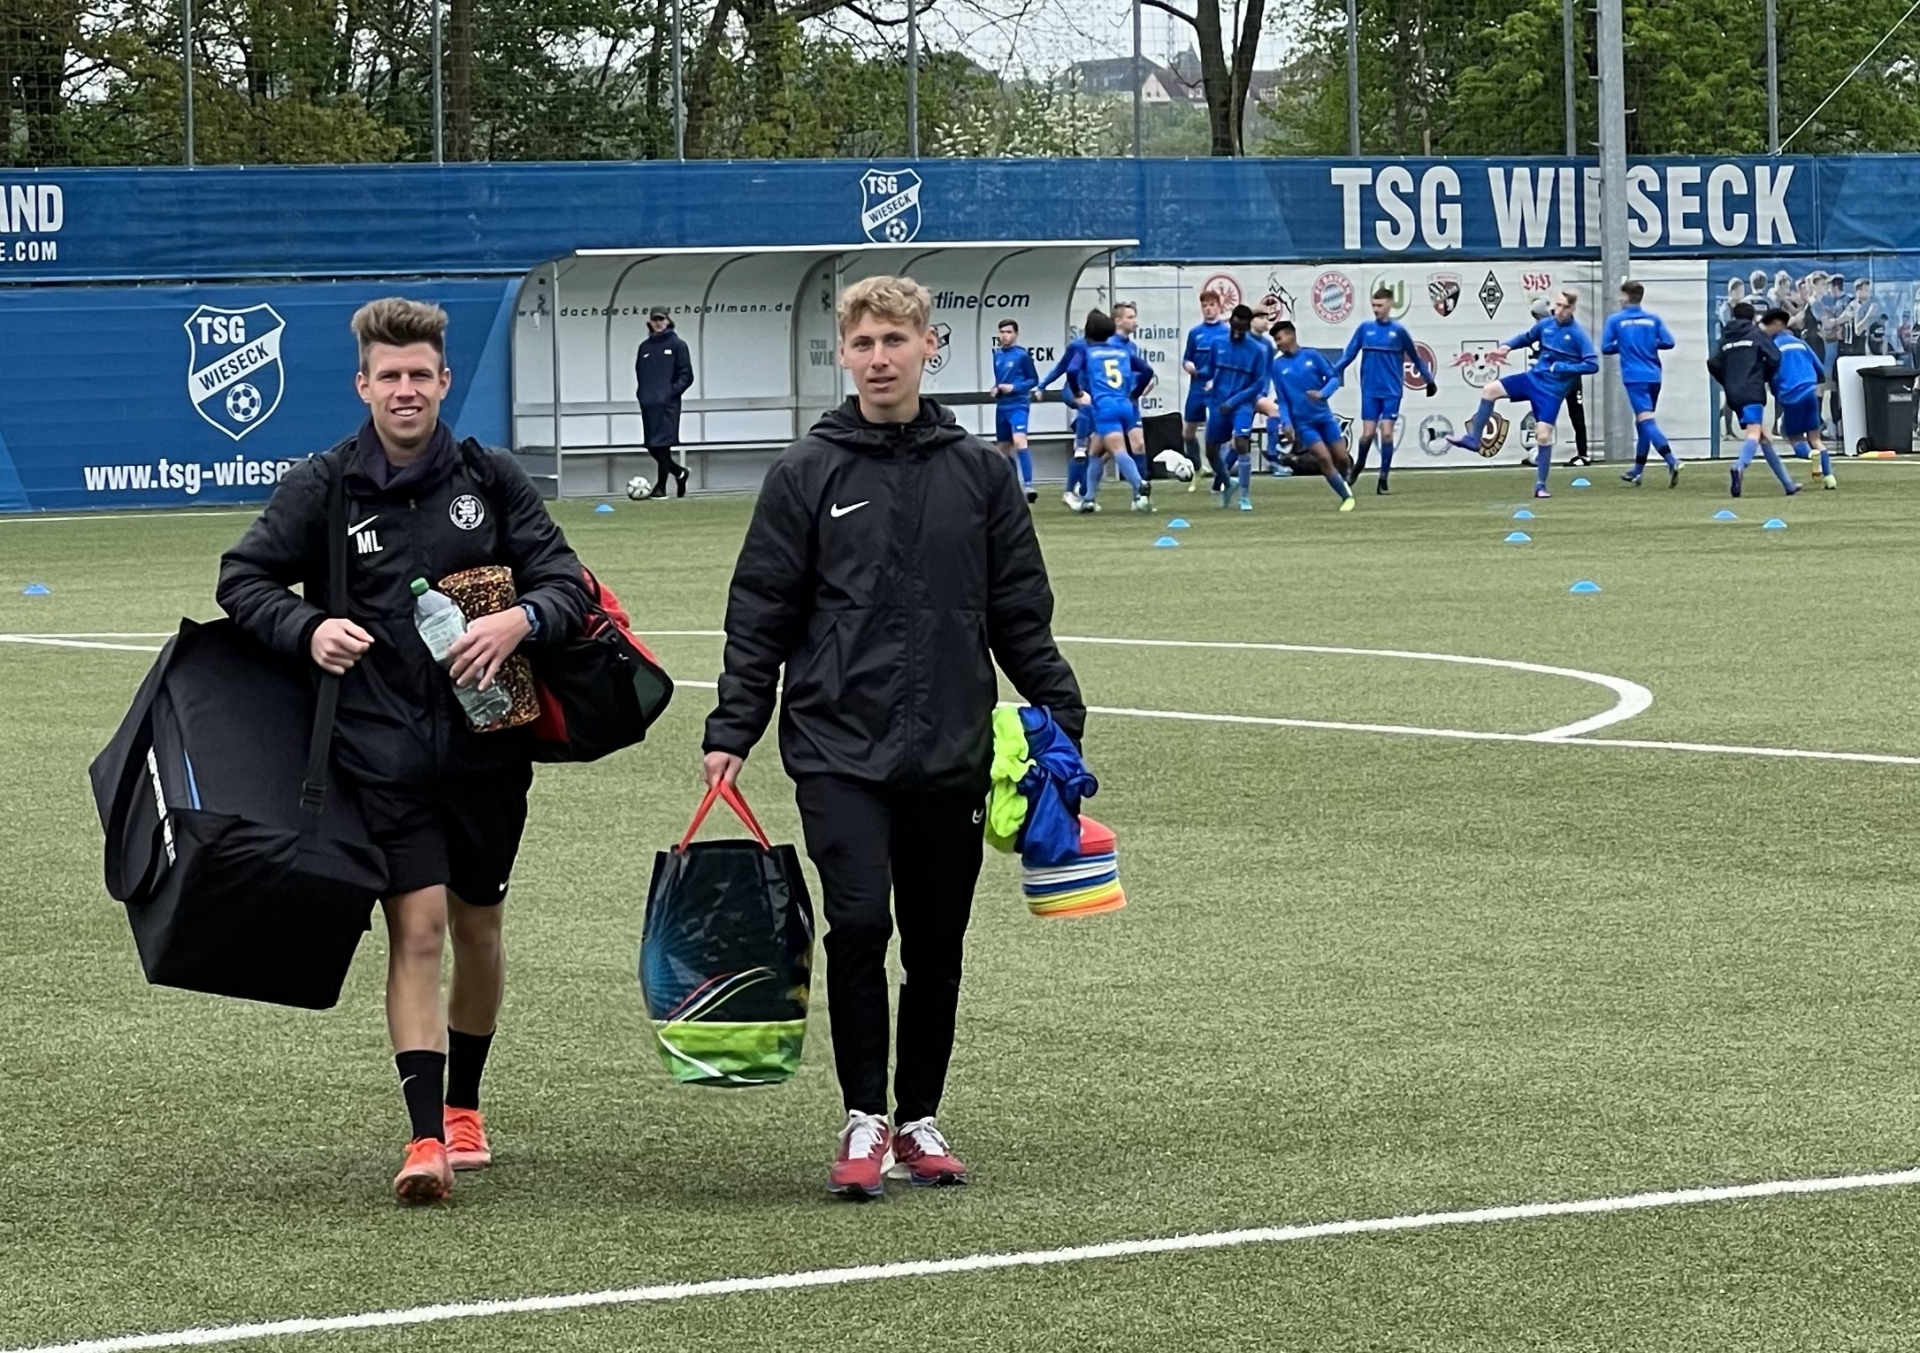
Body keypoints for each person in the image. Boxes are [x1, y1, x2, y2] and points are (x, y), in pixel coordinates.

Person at [701, 274, 1085, 1199]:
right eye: (864, 343)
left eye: (896, 341)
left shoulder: (980, 474)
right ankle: (862, 1115)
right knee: (861, 922)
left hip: (952, 747)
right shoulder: (806, 472)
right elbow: (760, 613)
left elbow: (1019, 613)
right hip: (837, 744)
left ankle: (918, 1117)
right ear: (843, 353)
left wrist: (1062, 718)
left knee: (937, 939)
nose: (879, 358)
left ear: (928, 347)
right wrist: (732, 728)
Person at [217, 298, 591, 1204]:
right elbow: (243, 578)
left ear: (444, 380)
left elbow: (566, 584)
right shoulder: (326, 484)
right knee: (416, 929)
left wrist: (520, 618)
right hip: (378, 754)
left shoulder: (491, 477)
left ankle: (465, 1105)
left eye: (420, 373)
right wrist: (307, 628)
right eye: (390, 375)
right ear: (363, 385)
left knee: (478, 927)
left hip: (487, 751)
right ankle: (425, 1137)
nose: (406, 389)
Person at [1448, 288, 1597, 500]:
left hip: (1551, 393)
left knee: (1543, 435)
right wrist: (1506, 347)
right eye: (1558, 305)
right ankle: (1473, 439)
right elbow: (1526, 337)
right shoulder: (1546, 325)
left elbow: (1592, 364)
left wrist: (1563, 368)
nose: (1560, 310)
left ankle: (1541, 485)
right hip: (1532, 380)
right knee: (1490, 390)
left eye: (1565, 307)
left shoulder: (1577, 335)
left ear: (1573, 308)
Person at [1323, 287, 1436, 494]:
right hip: (1370, 390)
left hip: (1392, 390)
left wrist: (1429, 380)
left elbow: (1415, 357)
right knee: (1367, 435)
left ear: (1390, 305)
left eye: (1380, 305)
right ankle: (1359, 466)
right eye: (1374, 305)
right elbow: (1349, 355)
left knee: (1387, 434)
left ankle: (1383, 478)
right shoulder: (1365, 329)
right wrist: (1332, 372)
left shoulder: (1398, 331)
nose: (1376, 309)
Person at [1062, 309, 1155, 513]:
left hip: (1104, 407)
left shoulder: (1086, 352)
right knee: (1095, 452)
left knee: (1118, 450)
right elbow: (1147, 371)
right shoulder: (1122, 351)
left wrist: (1077, 392)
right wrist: (1135, 394)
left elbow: (1071, 370)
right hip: (1125, 405)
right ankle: (1088, 499)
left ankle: (1139, 483)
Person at [1708, 301, 1799, 499]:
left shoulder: (1725, 338)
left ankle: (1788, 484)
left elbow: (1713, 363)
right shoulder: (1756, 335)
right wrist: (1764, 376)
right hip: (1752, 389)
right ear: (1752, 318)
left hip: (1733, 393)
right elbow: (1775, 357)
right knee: (1754, 432)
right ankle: (1739, 466)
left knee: (1763, 438)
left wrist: (1727, 380)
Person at [1268, 320, 1355, 512]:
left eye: (1279, 338)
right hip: (1304, 424)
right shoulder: (1277, 366)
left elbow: (1333, 378)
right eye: (1275, 340)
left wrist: (1322, 394)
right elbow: (1282, 399)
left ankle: (1344, 482)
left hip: (1324, 418)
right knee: (1324, 458)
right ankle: (1346, 497)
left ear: (1291, 335)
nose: (1277, 344)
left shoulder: (1312, 356)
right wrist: (1286, 422)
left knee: (1342, 458)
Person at [1600, 281, 1681, 488]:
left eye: (1621, 295)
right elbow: (1669, 342)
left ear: (1625, 297)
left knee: (1646, 420)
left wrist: (1624, 345)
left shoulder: (1616, 320)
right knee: (1643, 421)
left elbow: (1606, 347)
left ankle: (1672, 460)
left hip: (1634, 377)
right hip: (1654, 375)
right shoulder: (1652, 319)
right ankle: (1637, 471)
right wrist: (1650, 344)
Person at [1204, 304, 1271, 512]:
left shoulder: (1257, 351)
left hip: (1242, 403)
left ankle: (1244, 496)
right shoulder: (1217, 343)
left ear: (1247, 327)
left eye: (1242, 329)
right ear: (1231, 322)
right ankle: (1227, 482)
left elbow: (1257, 384)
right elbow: (1210, 370)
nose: (1237, 332)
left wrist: (1234, 402)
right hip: (1218, 403)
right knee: (1211, 451)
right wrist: (1204, 380)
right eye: (1235, 327)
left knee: (1241, 442)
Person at [1762, 307, 1836, 490]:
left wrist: (1777, 392)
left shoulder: (1773, 348)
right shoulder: (1801, 344)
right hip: (1810, 393)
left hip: (1791, 397)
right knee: (1815, 438)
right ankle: (1829, 477)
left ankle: (1811, 456)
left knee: (1795, 438)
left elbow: (1771, 376)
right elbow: (1820, 371)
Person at [635, 306, 694, 497]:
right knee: (652, 445)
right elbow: (640, 373)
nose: (658, 323)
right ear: (650, 322)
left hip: (668, 405)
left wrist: (670, 393)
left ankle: (661, 487)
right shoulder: (644, 347)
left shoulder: (678, 345)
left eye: (661, 319)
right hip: (649, 404)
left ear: (668, 321)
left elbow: (686, 375)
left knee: (662, 445)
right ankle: (680, 472)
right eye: (655, 320)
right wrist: (643, 394)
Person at [1037, 327, 1095, 511]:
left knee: (1099, 446)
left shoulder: (1108, 348)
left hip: (1094, 396)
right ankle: (1080, 446)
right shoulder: (1078, 346)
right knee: (1085, 407)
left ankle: (1081, 490)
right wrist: (1043, 385)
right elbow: (1063, 367)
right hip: (1073, 391)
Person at [1182, 290, 1229, 487]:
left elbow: (1229, 362)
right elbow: (1187, 358)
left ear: (1219, 307)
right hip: (1197, 386)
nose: (1208, 309)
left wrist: (1217, 380)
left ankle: (1222, 477)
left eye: (1212, 305)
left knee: (1216, 433)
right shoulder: (1195, 333)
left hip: (1217, 388)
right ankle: (1198, 467)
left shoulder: (1226, 332)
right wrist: (1188, 366)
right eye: (1205, 306)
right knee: (1187, 433)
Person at [990, 320, 1040, 503]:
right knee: (1003, 450)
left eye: (1009, 332)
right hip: (1002, 406)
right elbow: (999, 380)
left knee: (1020, 442)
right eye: (1002, 332)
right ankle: (1012, 486)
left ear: (1016, 334)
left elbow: (1033, 380)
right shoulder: (996, 354)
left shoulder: (1022, 356)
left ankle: (1029, 486)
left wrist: (1014, 387)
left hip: (1019, 405)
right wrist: (996, 389)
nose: (1005, 335)